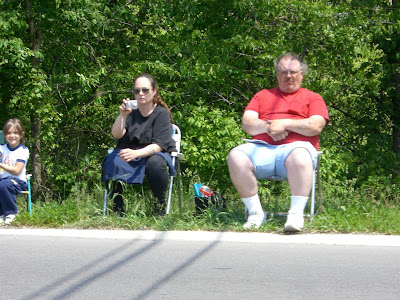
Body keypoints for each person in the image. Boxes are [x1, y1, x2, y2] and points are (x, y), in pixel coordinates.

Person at [227, 53, 329, 232]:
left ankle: (296, 215)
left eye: (293, 72)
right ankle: (256, 214)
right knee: (235, 156)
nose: (288, 76)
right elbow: (247, 123)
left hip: (296, 149)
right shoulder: (262, 96)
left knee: (300, 156)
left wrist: (286, 124)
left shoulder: (313, 98)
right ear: (277, 74)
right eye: (283, 72)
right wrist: (270, 128)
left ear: (301, 74)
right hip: (261, 149)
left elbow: (316, 125)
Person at [102, 73, 176, 216]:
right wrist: (122, 115)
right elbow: (116, 134)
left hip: (154, 152)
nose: (141, 93)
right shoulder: (130, 112)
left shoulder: (161, 113)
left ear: (154, 91)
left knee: (155, 163)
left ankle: (159, 207)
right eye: (137, 91)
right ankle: (117, 209)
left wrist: (136, 153)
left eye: (145, 90)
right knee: (112, 160)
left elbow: (159, 145)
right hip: (129, 150)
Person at [0, 119, 30, 225]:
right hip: (2, 180)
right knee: (2, 183)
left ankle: (11, 213)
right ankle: (1, 214)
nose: (12, 135)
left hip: (18, 182)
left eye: (15, 133)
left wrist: (1, 164)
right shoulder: (2, 148)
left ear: (21, 135)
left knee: (4, 184)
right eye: (9, 133)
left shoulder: (23, 151)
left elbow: (17, 171)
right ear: (4, 135)